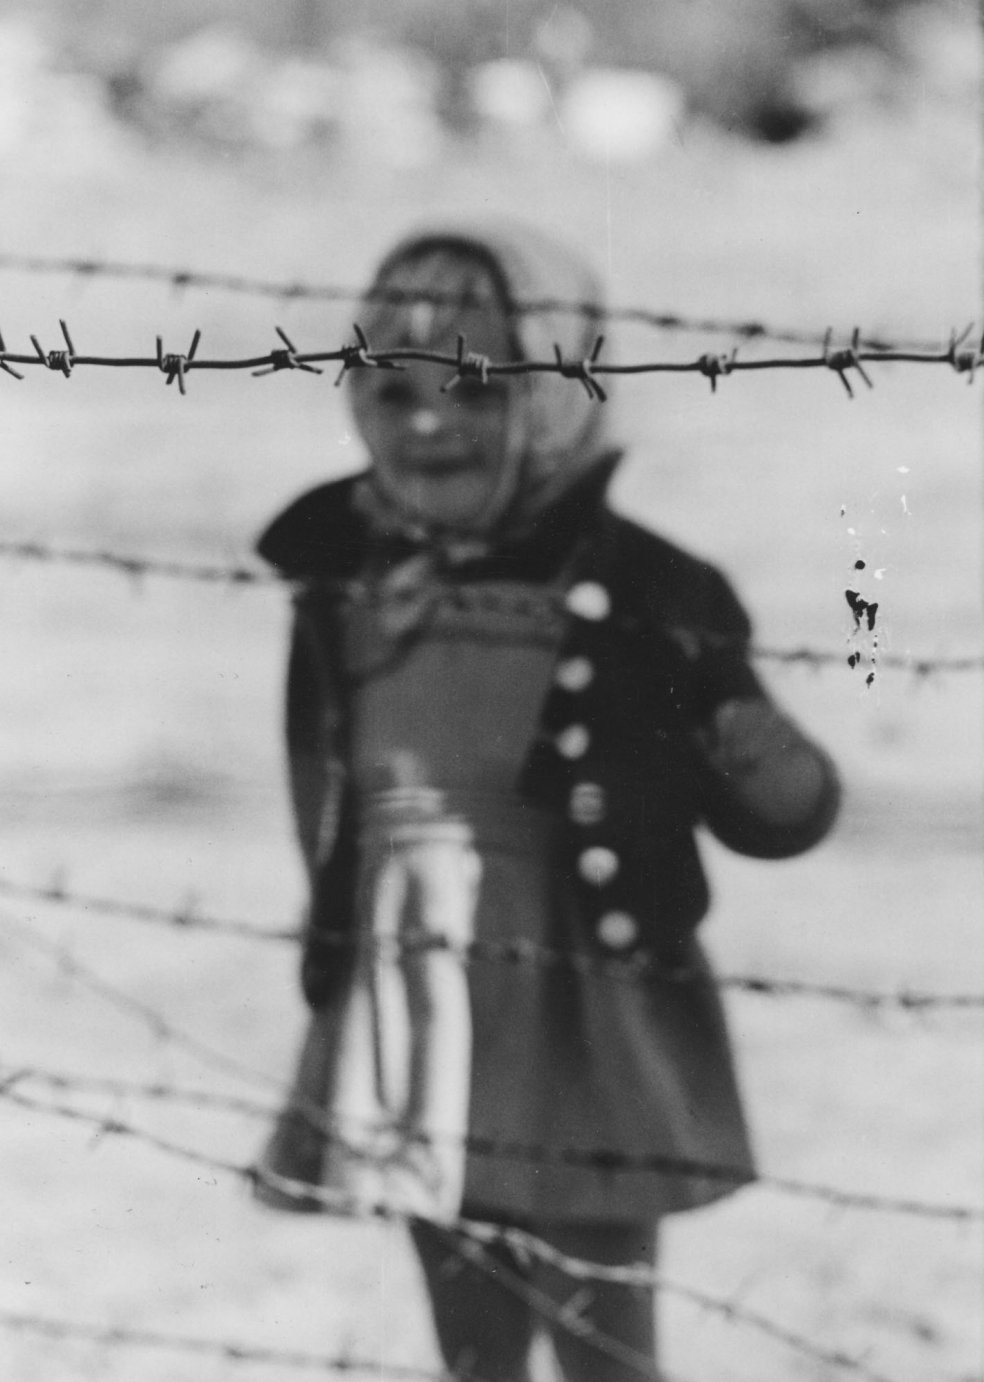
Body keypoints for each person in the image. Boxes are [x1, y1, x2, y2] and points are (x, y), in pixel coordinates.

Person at [252, 222, 840, 1382]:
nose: (430, 423)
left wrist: (775, 768)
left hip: (583, 982)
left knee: (598, 1312)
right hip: (412, 961)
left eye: (476, 389)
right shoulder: (342, 567)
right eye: (392, 387)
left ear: (563, 393)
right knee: (462, 1291)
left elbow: (767, 804)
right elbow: (321, 761)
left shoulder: (648, 589)